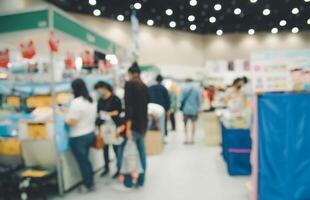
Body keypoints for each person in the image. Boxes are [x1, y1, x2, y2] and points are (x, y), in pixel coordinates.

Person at [65, 78, 97, 192]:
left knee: (83, 162)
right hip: (90, 133)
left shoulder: (76, 102)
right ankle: (90, 181)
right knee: (86, 160)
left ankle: (88, 184)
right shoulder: (91, 99)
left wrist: (65, 119)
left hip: (78, 137)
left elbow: (72, 122)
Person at [122, 62, 149, 188]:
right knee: (141, 152)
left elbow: (129, 108)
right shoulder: (144, 86)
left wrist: (128, 127)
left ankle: (128, 180)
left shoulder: (129, 85)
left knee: (128, 152)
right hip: (143, 124)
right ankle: (141, 179)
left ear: (131, 73)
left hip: (133, 125)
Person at [94, 81, 123, 179]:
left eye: (99, 89)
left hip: (114, 127)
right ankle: (106, 168)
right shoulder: (100, 100)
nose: (98, 92)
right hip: (103, 127)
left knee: (116, 149)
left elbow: (119, 111)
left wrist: (109, 114)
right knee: (105, 149)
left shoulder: (115, 99)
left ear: (104, 88)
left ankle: (119, 169)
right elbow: (98, 113)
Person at [180, 79, 202, 144]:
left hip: (185, 109)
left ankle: (186, 139)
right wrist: (198, 108)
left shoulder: (183, 89)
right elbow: (199, 100)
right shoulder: (196, 89)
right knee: (193, 123)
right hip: (194, 109)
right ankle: (192, 139)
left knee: (185, 124)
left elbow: (181, 99)